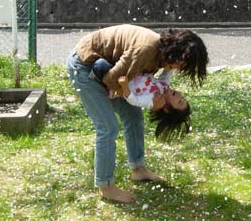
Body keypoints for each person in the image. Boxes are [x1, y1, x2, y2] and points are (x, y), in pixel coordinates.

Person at [66, 24, 208, 203]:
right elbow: (112, 79)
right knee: (108, 128)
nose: (181, 68)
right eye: (184, 64)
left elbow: (128, 78)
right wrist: (136, 97)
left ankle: (138, 170)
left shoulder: (161, 55)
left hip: (107, 70)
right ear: (178, 55)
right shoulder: (146, 50)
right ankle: (106, 187)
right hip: (85, 67)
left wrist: (142, 97)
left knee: (133, 117)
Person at [116, 73, 192, 143]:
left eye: (179, 102)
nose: (179, 95)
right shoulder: (164, 88)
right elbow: (167, 72)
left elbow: (134, 100)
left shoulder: (152, 101)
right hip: (131, 72)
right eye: (182, 98)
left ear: (167, 109)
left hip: (120, 81)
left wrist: (124, 85)